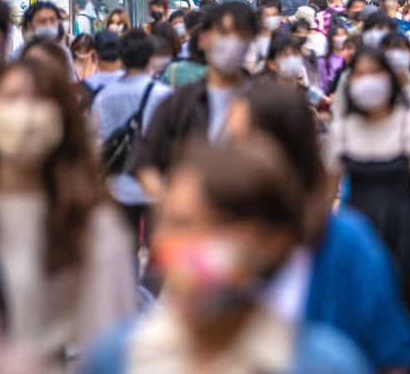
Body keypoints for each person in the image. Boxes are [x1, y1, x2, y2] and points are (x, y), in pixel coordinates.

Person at [79, 137, 370, 374]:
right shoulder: (116, 357)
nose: (193, 244)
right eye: (179, 223)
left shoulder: (324, 364)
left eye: (219, 225)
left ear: (275, 241)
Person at [223, 84, 410, 372]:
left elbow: (391, 355)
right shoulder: (211, 241)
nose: (230, 159)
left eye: (242, 144)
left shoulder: (347, 244)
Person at [0, 60, 135, 371]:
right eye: (11, 98)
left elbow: (110, 343)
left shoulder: (92, 221)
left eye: (40, 101)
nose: (25, 113)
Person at [324, 48, 410, 374]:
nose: (368, 83)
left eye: (375, 74)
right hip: (357, 235)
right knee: (360, 310)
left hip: (406, 232)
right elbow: (326, 194)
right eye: (360, 75)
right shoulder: (341, 131)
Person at [129, 2, 257, 198]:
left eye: (240, 34)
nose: (231, 42)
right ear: (204, 39)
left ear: (250, 42)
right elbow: (144, 161)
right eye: (223, 32)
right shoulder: (180, 103)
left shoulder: (268, 102)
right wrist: (171, 206)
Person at [91, 28, 173, 145]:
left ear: (121, 59)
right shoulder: (164, 94)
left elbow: (96, 137)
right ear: (150, 59)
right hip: (149, 159)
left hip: (112, 160)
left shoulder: (103, 96)